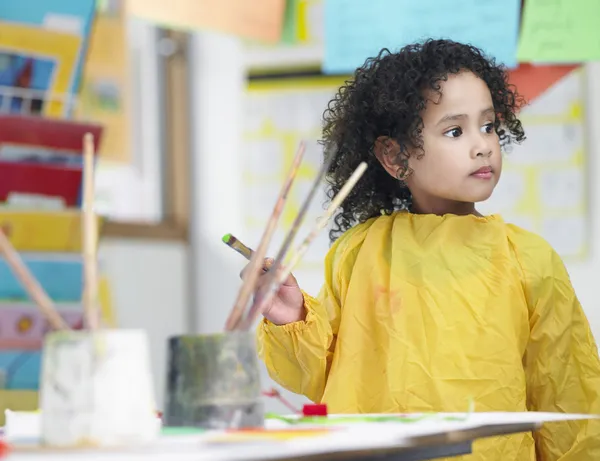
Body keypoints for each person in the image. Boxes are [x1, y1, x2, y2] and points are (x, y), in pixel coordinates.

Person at [248, 39, 600, 460]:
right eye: (455, 131)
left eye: (488, 126)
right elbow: (319, 375)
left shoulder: (529, 258)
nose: (482, 145)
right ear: (395, 157)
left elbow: (569, 396)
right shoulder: (361, 252)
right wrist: (293, 318)